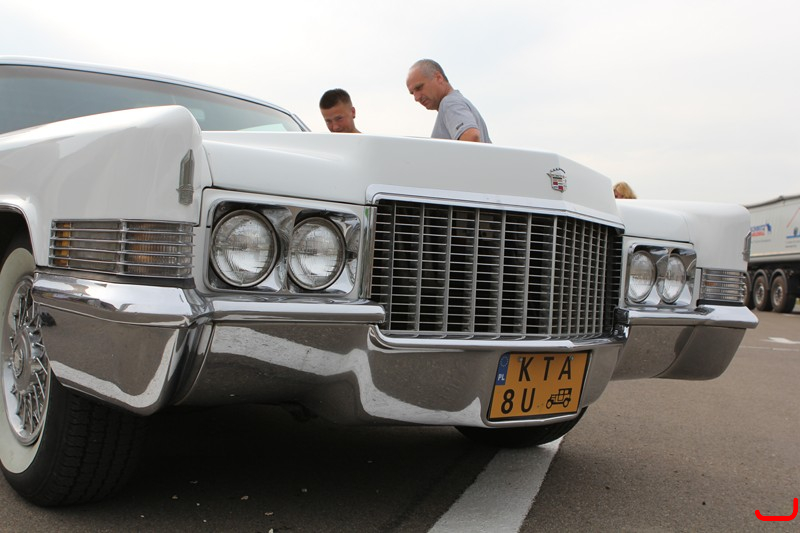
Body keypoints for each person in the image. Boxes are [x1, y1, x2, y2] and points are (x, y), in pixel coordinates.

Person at [406, 59, 491, 143]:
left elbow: (471, 136)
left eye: (419, 88)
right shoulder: (459, 102)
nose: (416, 98)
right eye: (412, 93)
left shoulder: (449, 103)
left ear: (439, 78)